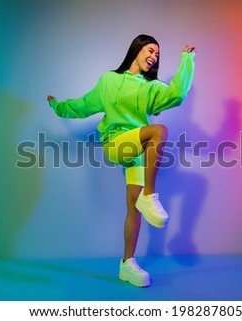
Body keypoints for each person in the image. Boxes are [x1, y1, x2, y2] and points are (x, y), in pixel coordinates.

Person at [47, 34, 196, 287]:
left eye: (157, 55)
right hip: (116, 143)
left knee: (133, 208)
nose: (153, 57)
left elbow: (178, 95)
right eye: (150, 50)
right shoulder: (109, 80)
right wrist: (59, 107)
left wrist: (187, 60)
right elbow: (83, 105)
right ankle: (150, 195)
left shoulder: (152, 88)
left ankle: (127, 264)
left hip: (138, 151)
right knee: (158, 131)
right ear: (137, 49)